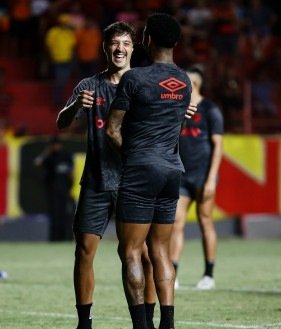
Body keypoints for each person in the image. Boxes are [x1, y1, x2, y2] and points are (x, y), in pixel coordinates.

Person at [56, 22, 158, 329]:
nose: (120, 49)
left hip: (132, 182)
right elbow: (61, 122)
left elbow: (161, 121)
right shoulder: (89, 85)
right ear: (105, 47)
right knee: (84, 250)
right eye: (115, 43)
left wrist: (181, 112)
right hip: (97, 180)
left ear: (132, 48)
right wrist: (75, 106)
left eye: (126, 43)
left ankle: (146, 322)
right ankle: (84, 322)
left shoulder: (142, 84)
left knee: (142, 255)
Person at [106, 13, 191, 329]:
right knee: (161, 252)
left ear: (146, 40)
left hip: (141, 170)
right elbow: (177, 126)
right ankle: (167, 325)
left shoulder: (134, 79)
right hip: (172, 172)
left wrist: (134, 155)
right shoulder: (183, 81)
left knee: (129, 251)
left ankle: (142, 327)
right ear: (176, 42)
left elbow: (112, 130)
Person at [170, 66, 224, 290]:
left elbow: (218, 147)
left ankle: (208, 274)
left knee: (205, 221)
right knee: (175, 223)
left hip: (202, 176)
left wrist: (211, 179)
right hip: (181, 176)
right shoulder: (176, 109)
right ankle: (172, 273)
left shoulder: (211, 110)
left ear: (194, 85)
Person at [34, 135, 75, 241]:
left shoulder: (66, 155)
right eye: (52, 145)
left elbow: (71, 173)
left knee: (66, 216)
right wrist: (46, 151)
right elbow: (37, 162)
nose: (54, 147)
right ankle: (54, 239)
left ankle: (66, 239)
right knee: (54, 216)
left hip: (65, 191)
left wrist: (71, 188)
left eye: (55, 145)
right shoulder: (49, 157)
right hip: (52, 191)